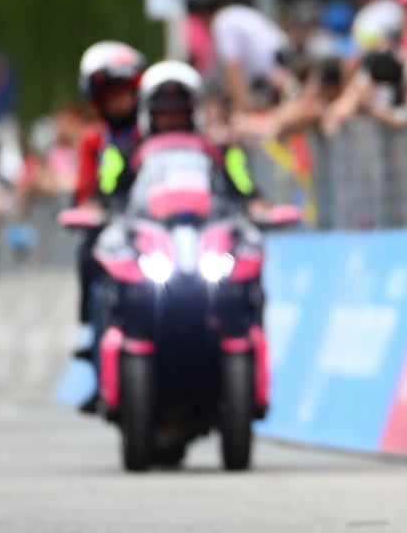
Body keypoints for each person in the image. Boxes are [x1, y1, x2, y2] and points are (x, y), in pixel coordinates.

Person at [70, 41, 145, 410]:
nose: (119, 102)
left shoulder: (155, 131)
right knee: (90, 257)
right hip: (114, 227)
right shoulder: (96, 141)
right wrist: (91, 207)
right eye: (110, 95)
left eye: (124, 93)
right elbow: (86, 192)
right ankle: (94, 338)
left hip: (155, 224)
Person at [95, 60, 266, 219]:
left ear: (194, 113)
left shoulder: (227, 155)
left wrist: (258, 209)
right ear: (148, 115)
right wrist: (97, 211)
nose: (172, 119)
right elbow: (101, 201)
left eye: (180, 112)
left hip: (210, 235)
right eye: (164, 113)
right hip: (143, 236)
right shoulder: (120, 155)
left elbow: (250, 197)